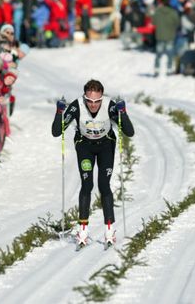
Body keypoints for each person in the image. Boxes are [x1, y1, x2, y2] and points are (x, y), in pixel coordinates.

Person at [51, 79, 134, 247]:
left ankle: (109, 231)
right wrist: (59, 112)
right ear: (84, 97)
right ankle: (83, 231)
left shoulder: (109, 105)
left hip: (106, 145)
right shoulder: (76, 106)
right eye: (89, 100)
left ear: (102, 97)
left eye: (97, 101)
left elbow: (129, 132)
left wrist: (123, 112)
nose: (93, 105)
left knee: (104, 185)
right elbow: (56, 132)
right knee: (87, 184)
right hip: (85, 146)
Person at [152, 0, 180, 77]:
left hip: (160, 35)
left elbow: (154, 22)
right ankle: (169, 69)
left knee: (158, 54)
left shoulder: (157, 12)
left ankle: (157, 70)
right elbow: (177, 23)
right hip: (170, 35)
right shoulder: (173, 12)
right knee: (170, 54)